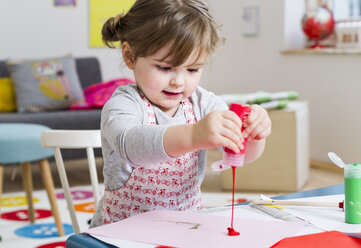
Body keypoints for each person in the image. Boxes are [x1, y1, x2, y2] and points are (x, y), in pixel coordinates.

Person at [90, 0, 271, 227]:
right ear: (130, 56)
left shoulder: (203, 102)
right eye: (165, 68)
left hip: (186, 226)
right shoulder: (124, 104)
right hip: (124, 230)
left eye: (192, 69)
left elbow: (238, 154)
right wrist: (194, 135)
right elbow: (129, 145)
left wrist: (252, 136)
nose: (178, 81)